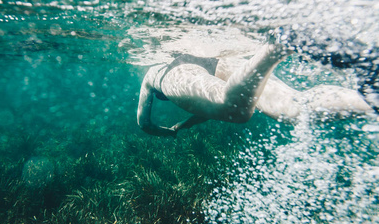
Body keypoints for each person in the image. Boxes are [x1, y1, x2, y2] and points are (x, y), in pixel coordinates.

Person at [137, 35, 373, 137]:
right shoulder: (198, 57)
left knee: (236, 112)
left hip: (174, 71)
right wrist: (186, 124)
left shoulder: (152, 74)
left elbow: (145, 124)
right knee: (293, 109)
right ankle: (369, 98)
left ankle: (277, 46)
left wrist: (168, 132)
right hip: (217, 58)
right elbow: (206, 104)